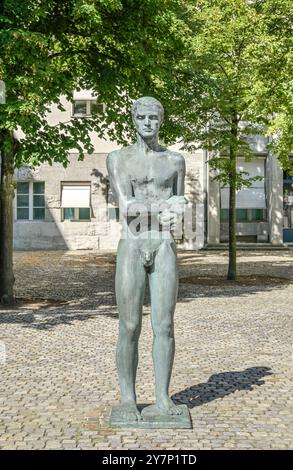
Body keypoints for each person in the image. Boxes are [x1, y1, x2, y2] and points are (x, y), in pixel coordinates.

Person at [107, 96, 187, 422]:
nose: (148, 123)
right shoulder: (118, 159)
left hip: (164, 245)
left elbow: (179, 203)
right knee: (129, 325)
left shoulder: (175, 161)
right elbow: (127, 208)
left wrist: (175, 207)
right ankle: (128, 399)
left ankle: (163, 398)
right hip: (132, 244)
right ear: (133, 119)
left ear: (161, 121)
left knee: (164, 325)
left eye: (154, 118)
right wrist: (165, 208)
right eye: (142, 117)